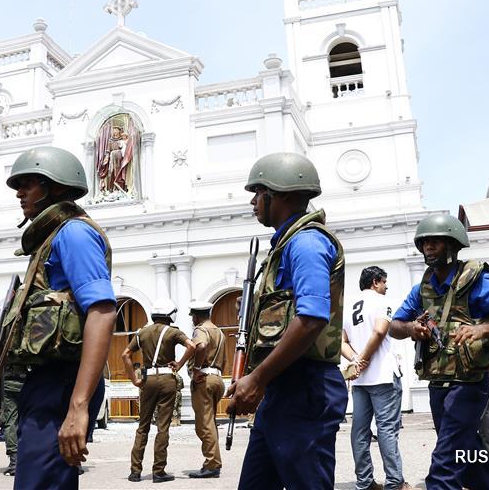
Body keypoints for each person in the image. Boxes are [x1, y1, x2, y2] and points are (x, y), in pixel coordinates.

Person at [227, 153, 346, 490]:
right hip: (283, 387)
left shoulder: (307, 242)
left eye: (259, 191)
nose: (253, 201)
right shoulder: (284, 245)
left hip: (305, 388)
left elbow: (311, 319)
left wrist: (256, 379)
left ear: (281, 194)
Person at [2, 146, 117, 489]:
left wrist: (78, 406)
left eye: (29, 183)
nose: (20, 192)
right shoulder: (51, 237)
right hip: (47, 380)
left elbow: (102, 311)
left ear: (56, 187)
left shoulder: (73, 233)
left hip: (64, 382)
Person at [389, 213, 489, 490]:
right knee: (465, 447)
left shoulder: (478, 282)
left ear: (452, 245)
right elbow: (394, 326)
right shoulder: (422, 288)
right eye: (425, 242)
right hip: (438, 382)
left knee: (445, 459)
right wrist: (413, 328)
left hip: (470, 383)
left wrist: (482, 330)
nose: (428, 247)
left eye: (435, 242)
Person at [342, 266, 409, 490]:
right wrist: (365, 358)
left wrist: (356, 360)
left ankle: (364, 481)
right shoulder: (383, 302)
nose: (386, 286)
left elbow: (341, 341)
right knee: (387, 430)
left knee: (359, 431)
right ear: (375, 282)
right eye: (384, 282)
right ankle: (395, 482)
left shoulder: (349, 305)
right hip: (383, 375)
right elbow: (380, 332)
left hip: (360, 379)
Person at [123, 298, 196, 482]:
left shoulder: (142, 333)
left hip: (147, 380)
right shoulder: (173, 332)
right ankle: (158, 471)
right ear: (170, 315)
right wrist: (179, 364)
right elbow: (192, 346)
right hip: (166, 379)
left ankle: (135, 471)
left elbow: (125, 354)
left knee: (143, 426)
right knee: (162, 427)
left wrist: (134, 379)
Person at [186, 300, 226, 480]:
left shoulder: (200, 330)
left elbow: (200, 346)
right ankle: (213, 461)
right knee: (211, 422)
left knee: (204, 424)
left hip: (204, 378)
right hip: (217, 378)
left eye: (192, 317)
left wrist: (195, 370)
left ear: (196, 316)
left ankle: (212, 464)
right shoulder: (219, 331)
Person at [0, 364, 27, 476]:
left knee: (10, 421)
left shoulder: (3, 345)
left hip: (10, 383)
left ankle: (14, 462)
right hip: (30, 381)